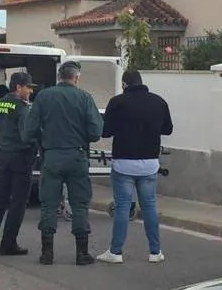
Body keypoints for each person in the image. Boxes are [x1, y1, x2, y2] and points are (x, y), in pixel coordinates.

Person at [22, 61, 103, 266]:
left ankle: (47, 253)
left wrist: (41, 139)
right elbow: (95, 133)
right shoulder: (85, 98)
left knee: (49, 204)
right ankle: (82, 253)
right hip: (77, 157)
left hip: (51, 157)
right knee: (80, 204)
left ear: (60, 76)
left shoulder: (44, 96)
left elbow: (29, 131)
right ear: (76, 78)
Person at [96, 70, 173, 264]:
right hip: (150, 164)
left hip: (124, 163)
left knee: (122, 206)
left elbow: (106, 132)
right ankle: (155, 252)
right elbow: (168, 129)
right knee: (149, 207)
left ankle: (115, 252)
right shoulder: (159, 101)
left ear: (124, 84)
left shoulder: (117, 102)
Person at [0, 73, 37, 255]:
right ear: (18, 87)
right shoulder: (23, 109)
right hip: (21, 157)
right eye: (28, 87)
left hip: (4, 156)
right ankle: (8, 243)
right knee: (18, 202)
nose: (31, 91)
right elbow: (26, 135)